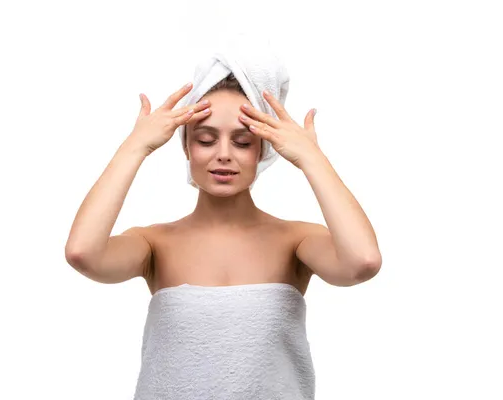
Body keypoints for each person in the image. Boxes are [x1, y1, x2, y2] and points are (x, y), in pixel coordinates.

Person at [65, 73, 382, 399]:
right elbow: (83, 253)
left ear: (262, 150)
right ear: (186, 146)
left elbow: (363, 261)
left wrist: (312, 158)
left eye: (242, 142)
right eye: (205, 140)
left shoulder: (296, 241)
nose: (224, 154)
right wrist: (134, 147)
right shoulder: (154, 244)